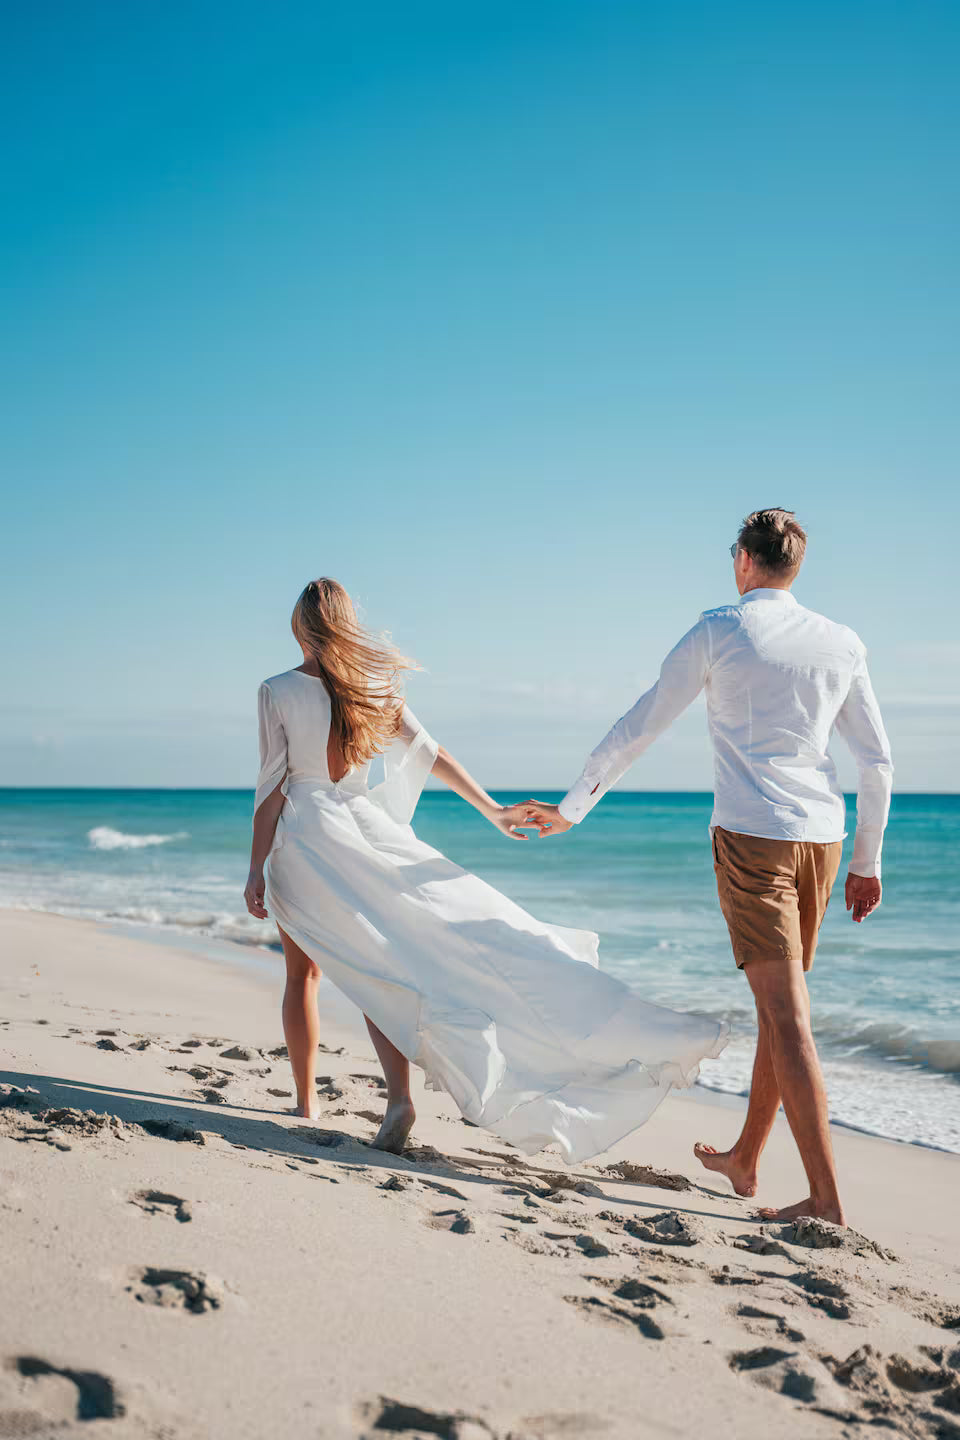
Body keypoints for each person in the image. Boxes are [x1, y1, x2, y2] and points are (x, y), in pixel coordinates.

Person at [244, 577, 727, 1162]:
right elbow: (433, 754)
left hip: (308, 841)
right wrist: (494, 811)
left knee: (306, 977)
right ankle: (398, 1098)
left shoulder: (277, 690)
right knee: (383, 970)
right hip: (366, 832)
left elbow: (272, 790)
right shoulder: (373, 686)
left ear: (299, 626)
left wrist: (254, 869)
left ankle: (305, 1104)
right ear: (346, 622)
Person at [521, 510, 893, 1225]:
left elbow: (643, 722)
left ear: (745, 562)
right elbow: (875, 760)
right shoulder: (842, 642)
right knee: (778, 1008)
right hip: (822, 840)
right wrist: (867, 861)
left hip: (753, 838)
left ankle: (825, 1201)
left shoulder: (721, 628)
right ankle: (747, 1158)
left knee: (787, 1016)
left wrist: (574, 807)